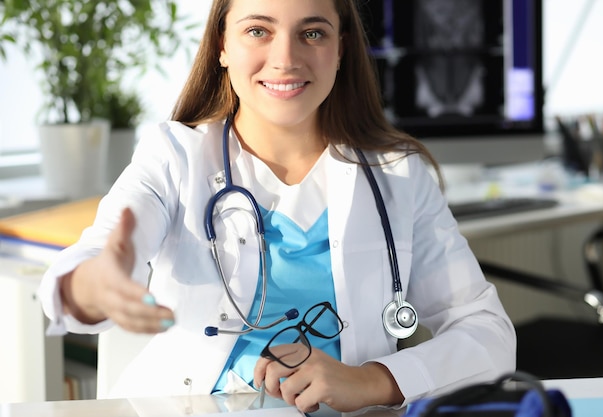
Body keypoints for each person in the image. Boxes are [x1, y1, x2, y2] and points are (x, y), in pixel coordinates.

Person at [38, 0, 516, 413]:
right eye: (258, 30)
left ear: (341, 48)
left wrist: (374, 380)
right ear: (222, 45)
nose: (285, 58)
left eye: (312, 32)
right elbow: (93, 260)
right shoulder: (174, 157)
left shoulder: (399, 175)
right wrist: (95, 284)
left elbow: (488, 334)